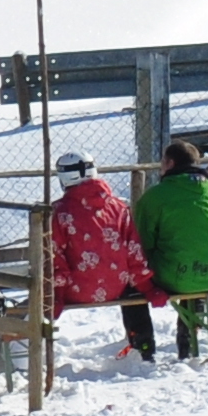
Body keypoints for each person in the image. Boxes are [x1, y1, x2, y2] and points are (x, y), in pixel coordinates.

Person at [48, 153, 168, 361]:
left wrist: (55, 295)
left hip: (75, 290)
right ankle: (144, 347)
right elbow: (134, 252)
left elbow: (53, 256)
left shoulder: (58, 212)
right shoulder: (119, 208)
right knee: (133, 292)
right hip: (117, 287)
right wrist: (147, 287)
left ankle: (25, 357)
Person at [132, 139, 208, 363]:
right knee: (193, 262)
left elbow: (141, 244)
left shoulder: (155, 197)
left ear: (169, 163)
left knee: (132, 281)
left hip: (175, 275)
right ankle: (189, 336)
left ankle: (143, 346)